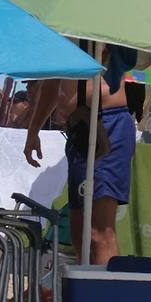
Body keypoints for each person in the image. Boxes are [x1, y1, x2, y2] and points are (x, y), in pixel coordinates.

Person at [24, 69, 137, 264]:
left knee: (100, 231)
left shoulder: (98, 40)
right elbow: (52, 83)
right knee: (79, 232)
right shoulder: (61, 44)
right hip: (79, 127)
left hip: (107, 121)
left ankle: (101, 293)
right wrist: (33, 130)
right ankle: (87, 289)